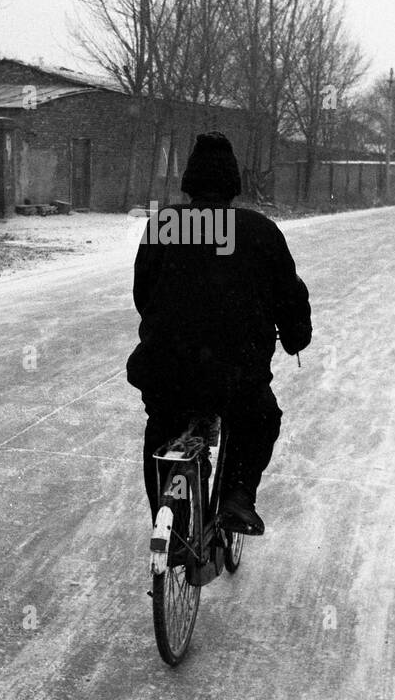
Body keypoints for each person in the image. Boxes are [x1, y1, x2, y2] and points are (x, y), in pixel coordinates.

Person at [126, 132, 312, 537]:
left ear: (189, 182)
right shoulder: (259, 230)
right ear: (233, 185)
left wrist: (167, 327)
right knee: (259, 419)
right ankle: (237, 497)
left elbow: (144, 294)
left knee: (163, 426)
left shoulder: (165, 224)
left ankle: (170, 523)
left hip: (167, 368)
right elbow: (289, 296)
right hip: (236, 375)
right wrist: (296, 335)